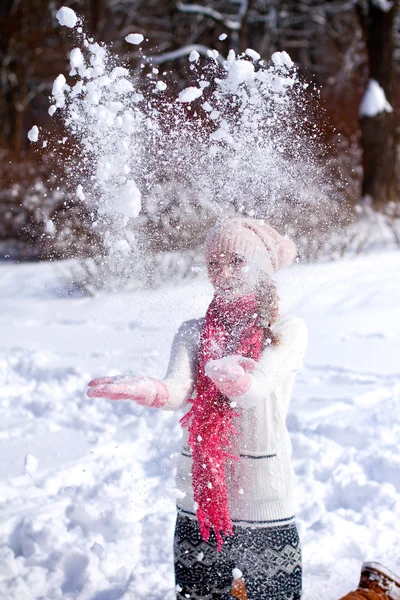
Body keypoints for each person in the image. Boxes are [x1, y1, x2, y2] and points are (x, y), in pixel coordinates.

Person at [87, 218, 308, 600]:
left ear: (260, 264)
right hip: (199, 495)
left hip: (264, 495)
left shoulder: (288, 328)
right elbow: (178, 389)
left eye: (236, 261)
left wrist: (237, 379)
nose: (222, 273)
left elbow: (259, 386)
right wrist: (151, 390)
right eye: (213, 264)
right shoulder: (192, 331)